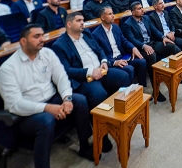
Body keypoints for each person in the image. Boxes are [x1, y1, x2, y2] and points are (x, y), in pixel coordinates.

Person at [0, 24, 94, 168]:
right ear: (23, 41)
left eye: (42, 35)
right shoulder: (8, 68)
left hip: (51, 99)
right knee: (46, 121)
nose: (42, 39)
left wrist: (67, 99)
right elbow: (15, 104)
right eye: (36, 36)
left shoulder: (47, 54)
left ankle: (84, 146)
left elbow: (61, 77)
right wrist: (48, 108)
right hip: (26, 114)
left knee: (79, 100)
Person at [51, 12, 131, 152]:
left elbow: (99, 50)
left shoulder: (86, 34)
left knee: (124, 77)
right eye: (79, 20)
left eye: (83, 20)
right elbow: (66, 70)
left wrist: (104, 61)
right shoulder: (60, 45)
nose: (83, 22)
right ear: (69, 24)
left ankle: (121, 116)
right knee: (99, 94)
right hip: (85, 78)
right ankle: (103, 135)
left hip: (101, 70)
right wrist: (90, 72)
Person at [121, 2, 176, 101]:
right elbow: (131, 39)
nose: (142, 10)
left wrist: (163, 37)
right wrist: (143, 46)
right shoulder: (127, 24)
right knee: (152, 55)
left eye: (142, 8)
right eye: (139, 9)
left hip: (152, 43)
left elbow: (154, 31)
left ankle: (171, 75)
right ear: (133, 12)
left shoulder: (146, 18)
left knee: (170, 46)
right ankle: (156, 90)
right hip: (140, 48)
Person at [92, 7, 147, 87]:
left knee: (142, 61)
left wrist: (133, 47)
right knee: (129, 68)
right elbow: (100, 55)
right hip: (111, 61)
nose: (113, 16)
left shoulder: (116, 27)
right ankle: (129, 92)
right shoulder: (96, 34)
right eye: (110, 14)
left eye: (112, 13)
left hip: (122, 56)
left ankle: (141, 88)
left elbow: (124, 41)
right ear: (102, 17)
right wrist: (114, 62)